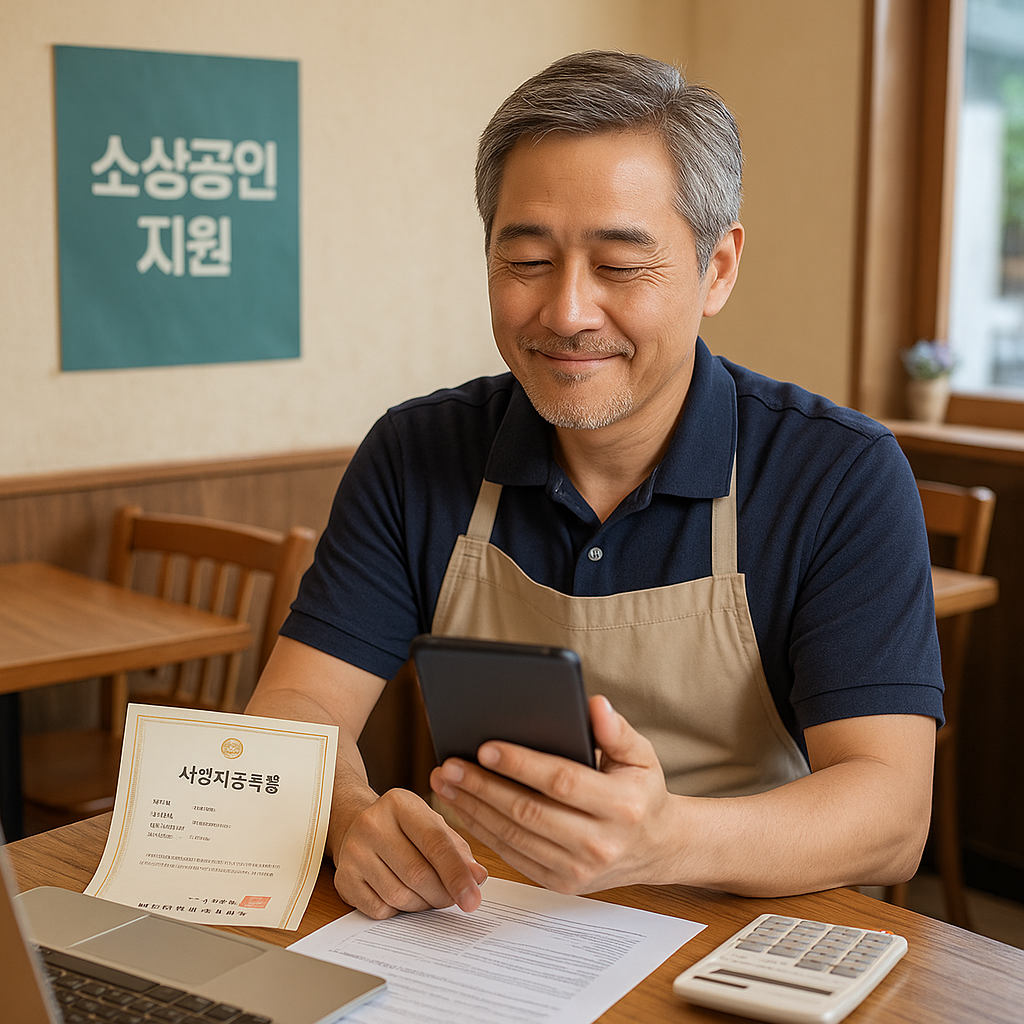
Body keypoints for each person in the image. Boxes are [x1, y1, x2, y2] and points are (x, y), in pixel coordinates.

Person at [247, 50, 943, 920]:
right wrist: (347, 814)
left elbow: (890, 812)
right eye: (528, 262)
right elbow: (296, 708)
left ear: (717, 268)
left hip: (741, 926)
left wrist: (664, 838)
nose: (568, 312)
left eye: (619, 266)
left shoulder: (839, 473)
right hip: (479, 921)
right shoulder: (415, 452)